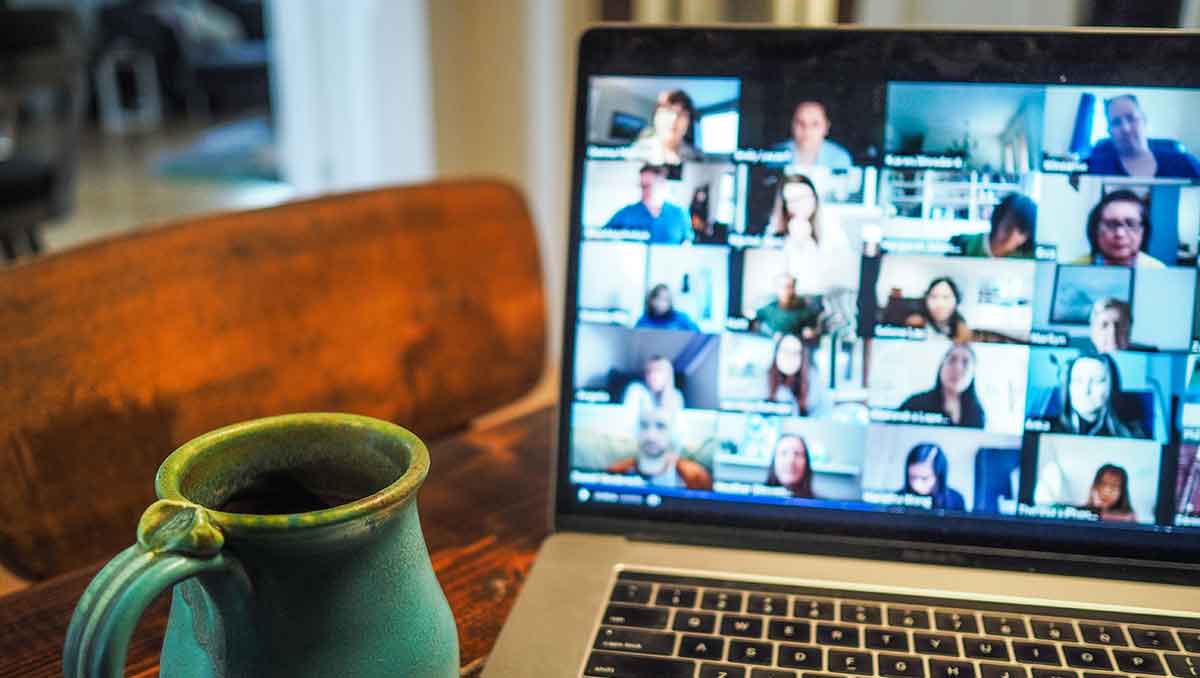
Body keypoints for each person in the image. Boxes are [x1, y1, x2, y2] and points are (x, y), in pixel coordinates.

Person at [766, 174, 851, 295]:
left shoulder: (832, 226)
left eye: (804, 197)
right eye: (793, 200)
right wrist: (796, 244)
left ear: (814, 197)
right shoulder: (777, 232)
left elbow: (839, 275)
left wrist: (807, 245)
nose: (800, 204)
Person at [1086, 95, 1200, 179]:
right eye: (1116, 122)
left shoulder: (1183, 163)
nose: (1126, 128)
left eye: (1131, 118)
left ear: (1144, 121)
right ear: (1109, 131)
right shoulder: (1096, 168)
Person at [606, 406, 713, 490]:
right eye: (644, 425)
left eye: (661, 426)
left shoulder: (696, 477)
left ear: (673, 432)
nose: (650, 435)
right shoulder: (616, 472)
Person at [1051, 353, 1148, 438]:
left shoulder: (1132, 435)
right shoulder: (1049, 429)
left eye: (1097, 381)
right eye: (1078, 381)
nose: (1085, 391)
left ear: (1111, 387)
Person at [899, 344, 986, 428]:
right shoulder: (914, 404)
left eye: (965, 363)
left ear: (973, 374)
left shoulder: (977, 414)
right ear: (941, 367)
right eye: (952, 360)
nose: (958, 368)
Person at [1071, 189, 1164, 268]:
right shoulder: (1074, 269)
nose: (1120, 233)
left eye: (1131, 224)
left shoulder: (1156, 270)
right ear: (1095, 229)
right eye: (1111, 224)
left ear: (1144, 231)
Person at [603, 163, 691, 244]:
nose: (643, 190)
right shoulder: (626, 213)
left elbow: (686, 245)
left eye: (647, 186)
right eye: (641, 186)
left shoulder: (679, 214)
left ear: (661, 184)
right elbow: (602, 238)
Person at [951, 193, 1037, 258]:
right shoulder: (963, 245)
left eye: (1021, 232)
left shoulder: (1028, 259)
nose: (1011, 236)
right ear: (998, 220)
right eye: (1008, 226)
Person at [771, 101, 852, 169]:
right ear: (792, 125)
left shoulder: (839, 158)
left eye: (815, 124)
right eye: (800, 123)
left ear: (826, 127)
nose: (807, 130)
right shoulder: (775, 155)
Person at [630, 89, 700, 166]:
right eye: (668, 111)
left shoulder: (696, 156)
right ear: (656, 117)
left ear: (688, 123)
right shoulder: (636, 153)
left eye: (681, 114)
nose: (673, 119)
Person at [766, 333, 828, 416]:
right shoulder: (766, 378)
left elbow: (821, 413)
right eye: (785, 351)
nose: (789, 357)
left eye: (795, 352)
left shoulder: (813, 379)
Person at [752, 273, 822, 339]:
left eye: (793, 287)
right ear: (777, 289)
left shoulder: (805, 311)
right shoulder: (768, 309)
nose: (790, 291)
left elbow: (817, 329)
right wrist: (771, 333)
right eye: (786, 287)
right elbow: (755, 324)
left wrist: (811, 332)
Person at [899, 443, 966, 511]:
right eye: (912, 477)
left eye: (924, 478)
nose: (916, 484)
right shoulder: (898, 498)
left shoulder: (955, 499)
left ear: (939, 476)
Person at [904, 277, 971, 343]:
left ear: (956, 300)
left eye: (946, 297)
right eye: (934, 297)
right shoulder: (915, 320)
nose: (939, 304)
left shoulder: (961, 327)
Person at [765, 434, 816, 499]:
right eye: (783, 453)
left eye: (797, 454)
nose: (790, 461)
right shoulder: (754, 498)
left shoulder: (822, 506)